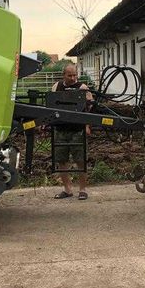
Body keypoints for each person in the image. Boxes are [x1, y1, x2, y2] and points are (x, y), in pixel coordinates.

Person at [53, 64, 93, 200]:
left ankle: (83, 189)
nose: (72, 78)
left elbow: (89, 109)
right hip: (60, 129)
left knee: (80, 160)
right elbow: (50, 106)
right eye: (69, 75)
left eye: (74, 75)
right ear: (63, 75)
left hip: (77, 130)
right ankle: (67, 189)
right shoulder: (56, 87)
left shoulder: (82, 88)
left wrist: (87, 125)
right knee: (61, 160)